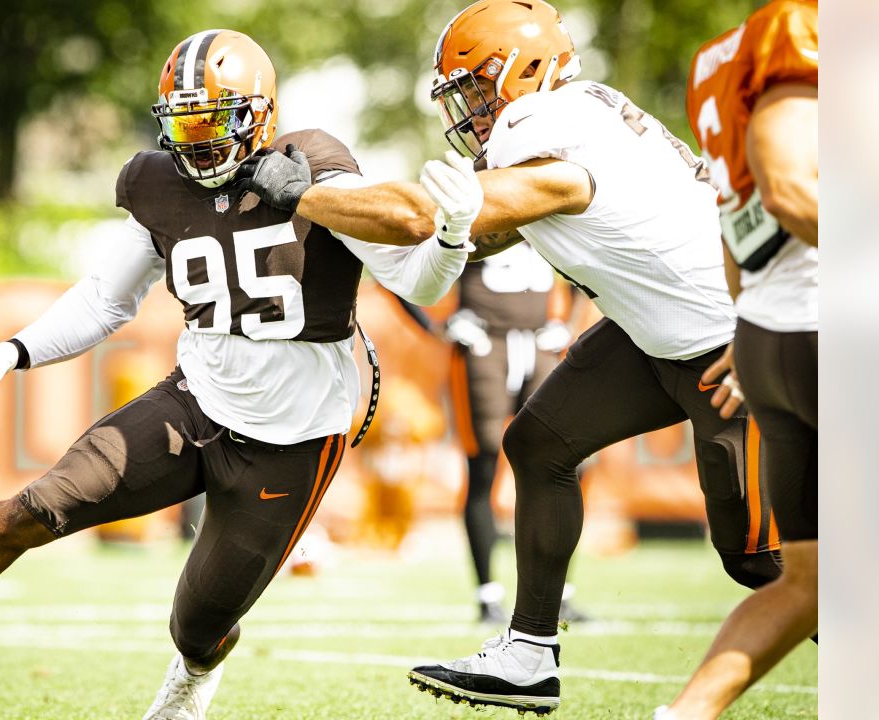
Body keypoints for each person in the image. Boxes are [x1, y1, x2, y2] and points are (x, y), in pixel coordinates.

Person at [0, 30, 474, 719]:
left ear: (258, 115)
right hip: (195, 403)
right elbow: (103, 300)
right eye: (185, 123)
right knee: (30, 511)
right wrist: (8, 352)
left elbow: (416, 282)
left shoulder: (315, 166)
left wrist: (450, 235)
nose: (199, 140)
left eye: (214, 120)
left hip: (293, 439)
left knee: (198, 626)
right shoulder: (160, 186)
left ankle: (191, 678)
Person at [238, 1, 782, 713]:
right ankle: (528, 652)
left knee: (763, 563)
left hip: (730, 345)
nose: (468, 110)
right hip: (656, 334)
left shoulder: (547, 129)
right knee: (539, 442)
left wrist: (310, 196)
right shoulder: (568, 123)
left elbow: (420, 217)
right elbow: (479, 232)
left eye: (475, 89)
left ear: (523, 74)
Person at [656, 3, 818, 718]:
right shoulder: (806, 24)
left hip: (773, 327)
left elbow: (738, 224)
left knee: (812, 584)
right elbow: (783, 185)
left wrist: (754, 332)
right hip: (838, 324)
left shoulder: (727, 54)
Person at [394, 248, 584, 625]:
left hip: (541, 341)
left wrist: (570, 320)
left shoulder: (549, 201)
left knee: (562, 465)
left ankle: (557, 594)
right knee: (483, 467)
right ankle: (488, 596)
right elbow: (396, 267)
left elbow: (588, 258)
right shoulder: (471, 204)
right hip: (483, 345)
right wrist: (436, 325)